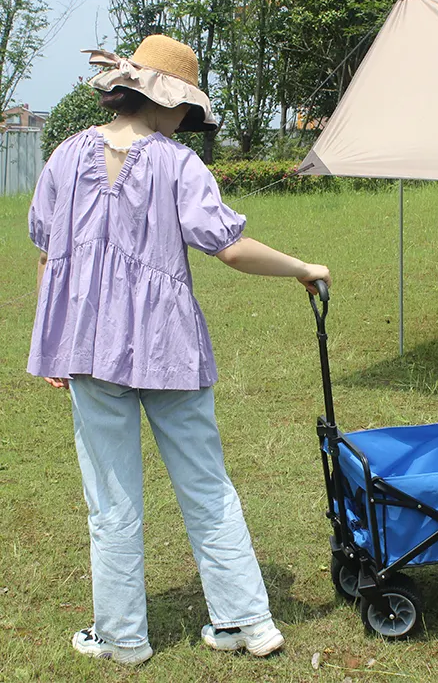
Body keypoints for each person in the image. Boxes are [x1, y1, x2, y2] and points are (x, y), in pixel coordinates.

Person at [27, 35, 331, 666]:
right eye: (184, 109)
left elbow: (48, 254)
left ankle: (123, 637)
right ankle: (248, 622)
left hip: (87, 349)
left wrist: (53, 343)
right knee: (206, 485)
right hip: (169, 349)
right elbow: (231, 249)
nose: (185, 120)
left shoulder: (64, 155)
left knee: (111, 497)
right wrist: (302, 266)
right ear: (165, 101)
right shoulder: (179, 164)